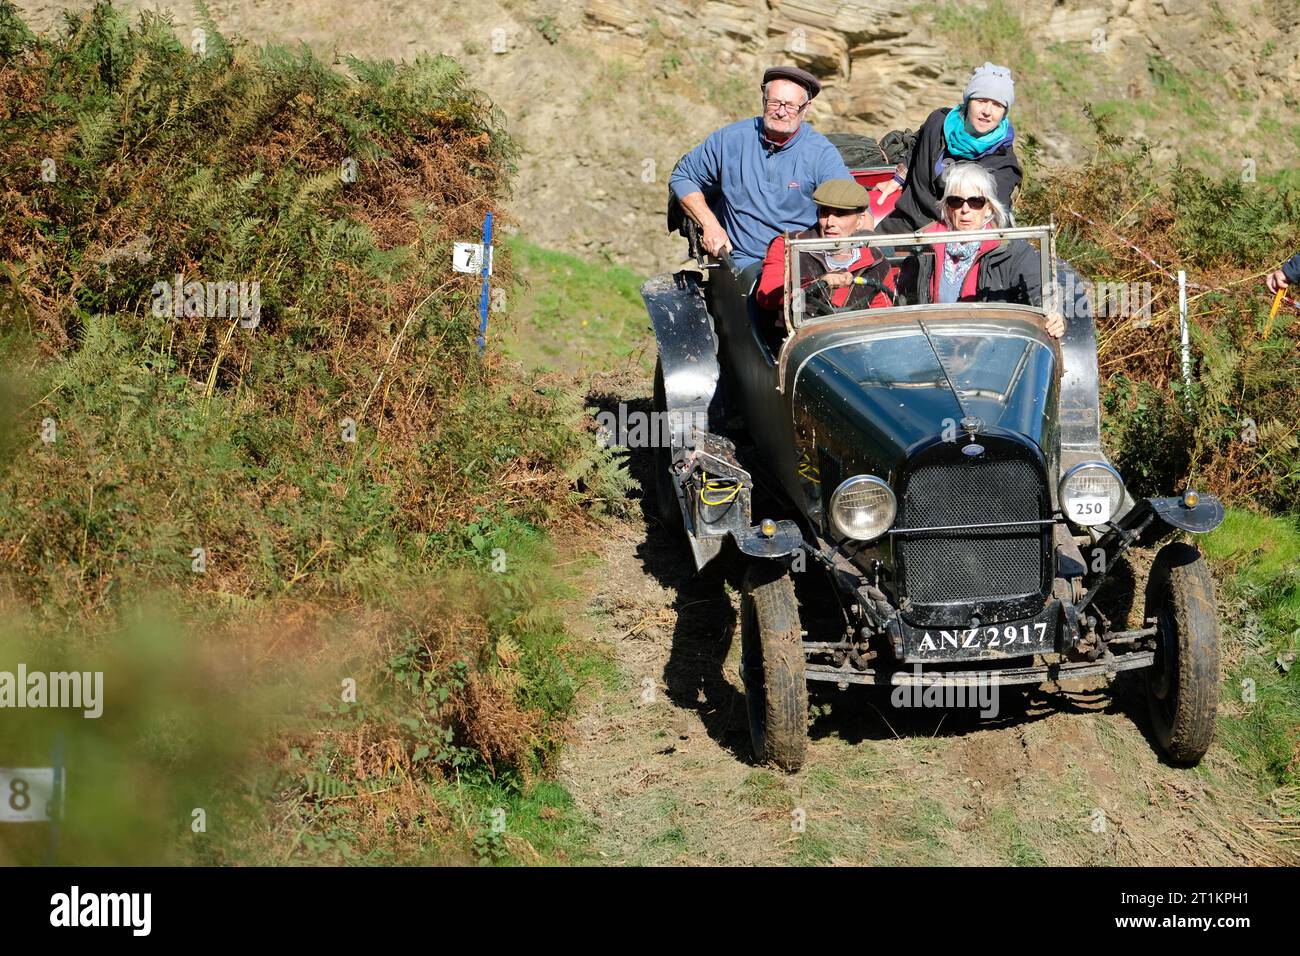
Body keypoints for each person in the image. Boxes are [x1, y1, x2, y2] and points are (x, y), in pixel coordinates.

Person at [669, 65, 852, 269]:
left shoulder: (820, 153)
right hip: (743, 263)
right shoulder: (731, 140)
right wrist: (710, 224)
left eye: (791, 106)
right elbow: (683, 176)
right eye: (774, 103)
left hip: (800, 262)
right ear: (763, 99)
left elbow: (855, 206)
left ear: (806, 107)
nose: (781, 112)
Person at [896, 162, 1065, 337]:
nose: (965, 209)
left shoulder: (1012, 251)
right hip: (934, 342)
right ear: (947, 207)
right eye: (956, 201)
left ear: (989, 208)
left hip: (991, 345)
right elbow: (905, 303)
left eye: (975, 202)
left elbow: (1043, 291)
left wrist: (1055, 316)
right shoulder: (924, 247)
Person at [875, 62, 1022, 235]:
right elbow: (917, 143)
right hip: (905, 220)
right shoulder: (937, 122)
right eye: (981, 101)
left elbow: (988, 220)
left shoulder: (1003, 163)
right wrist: (899, 178)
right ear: (968, 101)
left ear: (1004, 113)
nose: (987, 111)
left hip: (951, 237)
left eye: (997, 105)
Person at [755, 178, 895, 321]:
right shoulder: (789, 246)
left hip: (856, 333)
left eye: (840, 214)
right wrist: (816, 284)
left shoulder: (876, 261)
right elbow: (767, 296)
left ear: (860, 221)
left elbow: (883, 316)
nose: (830, 223)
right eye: (825, 213)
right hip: (800, 332)